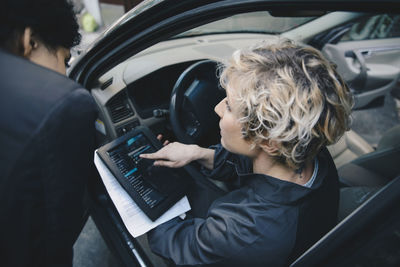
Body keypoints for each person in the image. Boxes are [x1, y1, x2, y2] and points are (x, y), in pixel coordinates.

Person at [140, 38, 353, 266]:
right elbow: (243, 161)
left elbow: (177, 244)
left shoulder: (247, 232)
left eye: (230, 106)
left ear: (270, 142)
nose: (217, 108)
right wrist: (198, 153)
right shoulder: (308, 145)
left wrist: (143, 193)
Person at [0, 1, 98, 266]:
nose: (66, 75)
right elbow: (54, 239)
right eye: (65, 60)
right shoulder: (60, 105)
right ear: (29, 41)